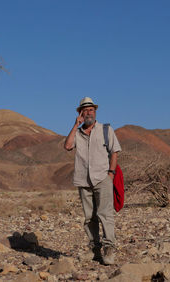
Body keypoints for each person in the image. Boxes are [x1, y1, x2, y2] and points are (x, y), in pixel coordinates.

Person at [64, 97, 121, 265]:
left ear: (95, 112)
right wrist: (76, 125)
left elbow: (115, 151)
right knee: (89, 217)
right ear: (80, 113)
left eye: (91, 110)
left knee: (105, 214)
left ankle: (109, 249)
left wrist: (110, 174)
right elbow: (67, 146)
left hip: (102, 178)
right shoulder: (78, 133)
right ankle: (94, 249)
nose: (89, 113)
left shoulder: (105, 129)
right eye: (85, 110)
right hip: (83, 180)